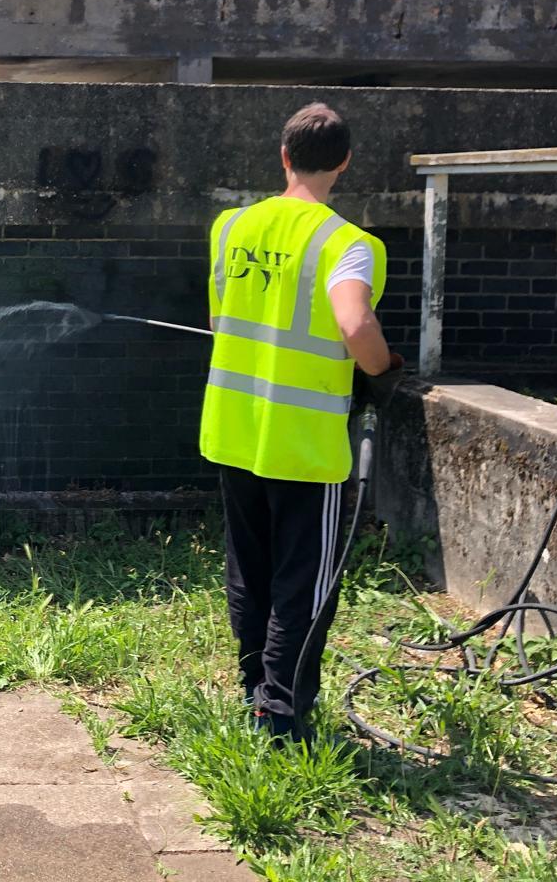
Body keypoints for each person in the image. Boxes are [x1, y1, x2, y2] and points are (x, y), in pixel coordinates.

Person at [199, 101, 401, 742]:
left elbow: (219, 321)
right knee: (304, 583)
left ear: (284, 156)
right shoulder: (348, 244)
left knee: (249, 570)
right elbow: (354, 325)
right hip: (306, 448)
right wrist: (382, 367)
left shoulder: (230, 228)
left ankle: (252, 685)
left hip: (234, 430)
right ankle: (281, 711)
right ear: (342, 163)